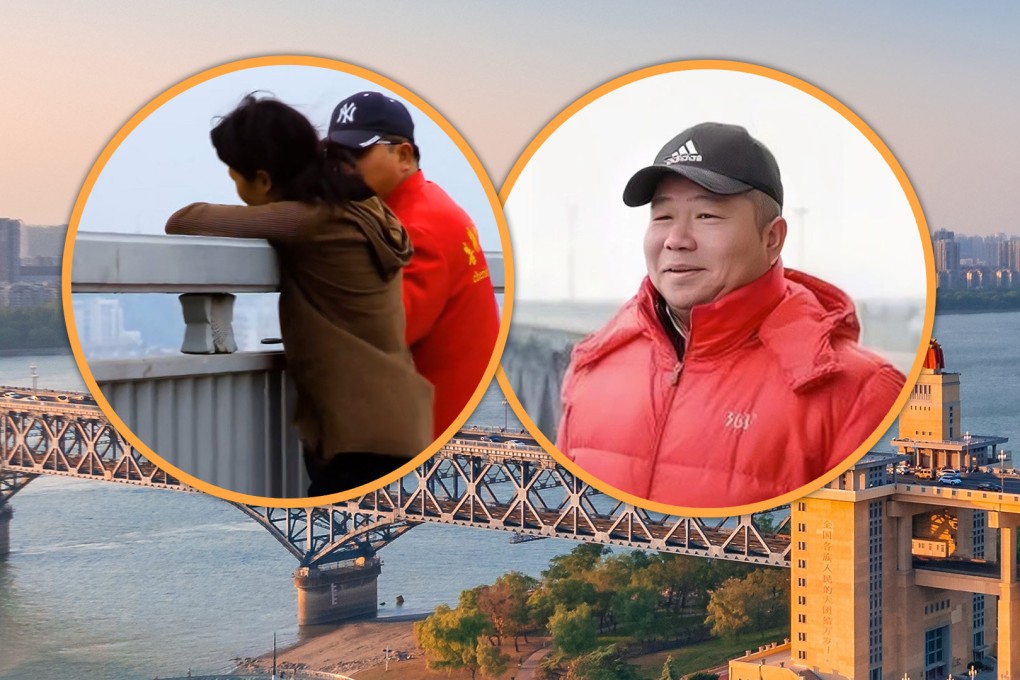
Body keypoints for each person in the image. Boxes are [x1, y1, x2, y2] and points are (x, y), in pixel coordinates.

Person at [555, 122, 906, 509]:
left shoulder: (857, 393)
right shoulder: (593, 365)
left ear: (771, 239)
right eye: (662, 217)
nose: (677, 239)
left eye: (706, 216)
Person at [165, 95, 433, 497]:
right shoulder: (364, 206)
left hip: (355, 431)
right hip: (393, 416)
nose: (233, 185)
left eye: (235, 175)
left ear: (264, 179)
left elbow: (184, 220)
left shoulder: (307, 218)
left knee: (336, 528)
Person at [326, 92, 500, 438]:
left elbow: (383, 334)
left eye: (356, 153)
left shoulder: (415, 228)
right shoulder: (433, 205)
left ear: (403, 155)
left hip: (425, 431)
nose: (342, 167)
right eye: (334, 155)